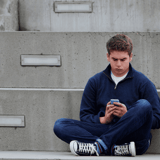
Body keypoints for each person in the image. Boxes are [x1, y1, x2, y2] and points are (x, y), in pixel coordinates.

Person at [54, 34, 160, 156]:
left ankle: (100, 145)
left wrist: (128, 116)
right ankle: (111, 148)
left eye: (123, 59)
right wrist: (104, 119)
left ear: (130, 57)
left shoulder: (143, 82)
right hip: (107, 131)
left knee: (144, 105)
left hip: (133, 134)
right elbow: (85, 116)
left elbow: (157, 119)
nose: (119, 64)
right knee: (60, 125)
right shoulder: (95, 81)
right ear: (108, 56)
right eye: (115, 59)